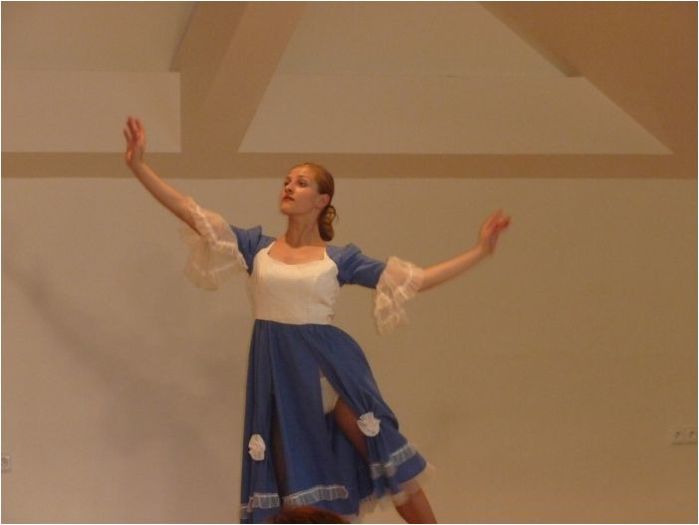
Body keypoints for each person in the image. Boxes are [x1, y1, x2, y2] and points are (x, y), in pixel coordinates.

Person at [123, 116, 510, 523]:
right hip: (280, 378)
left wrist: (480, 251)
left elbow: (418, 279)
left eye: (302, 182)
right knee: (294, 495)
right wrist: (139, 166)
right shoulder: (257, 248)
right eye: (287, 181)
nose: (289, 186)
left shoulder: (339, 260)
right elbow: (192, 213)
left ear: (322, 199)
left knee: (387, 458)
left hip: (332, 370)